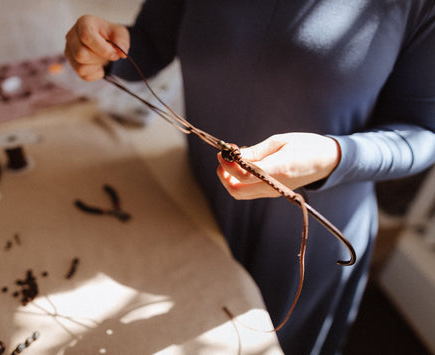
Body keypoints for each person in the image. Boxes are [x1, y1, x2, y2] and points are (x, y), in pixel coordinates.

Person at [65, 1, 435, 353]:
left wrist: (335, 156)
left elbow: (422, 132)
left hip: (307, 240)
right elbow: (151, 40)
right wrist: (106, 47)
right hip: (193, 204)